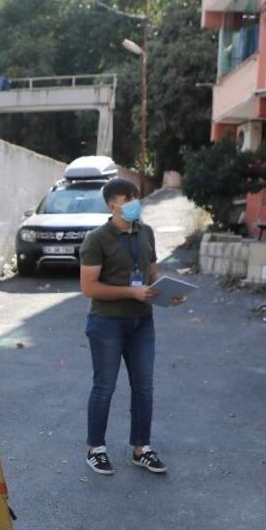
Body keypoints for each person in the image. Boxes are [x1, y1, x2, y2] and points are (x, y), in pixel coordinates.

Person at [77, 178, 185, 477]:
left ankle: (141, 448)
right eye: (129, 198)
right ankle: (96, 449)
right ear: (113, 205)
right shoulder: (96, 239)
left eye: (137, 196)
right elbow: (89, 287)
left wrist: (168, 291)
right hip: (106, 323)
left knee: (144, 387)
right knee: (105, 387)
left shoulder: (145, 232)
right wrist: (130, 292)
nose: (136, 202)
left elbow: (151, 272)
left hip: (142, 323)